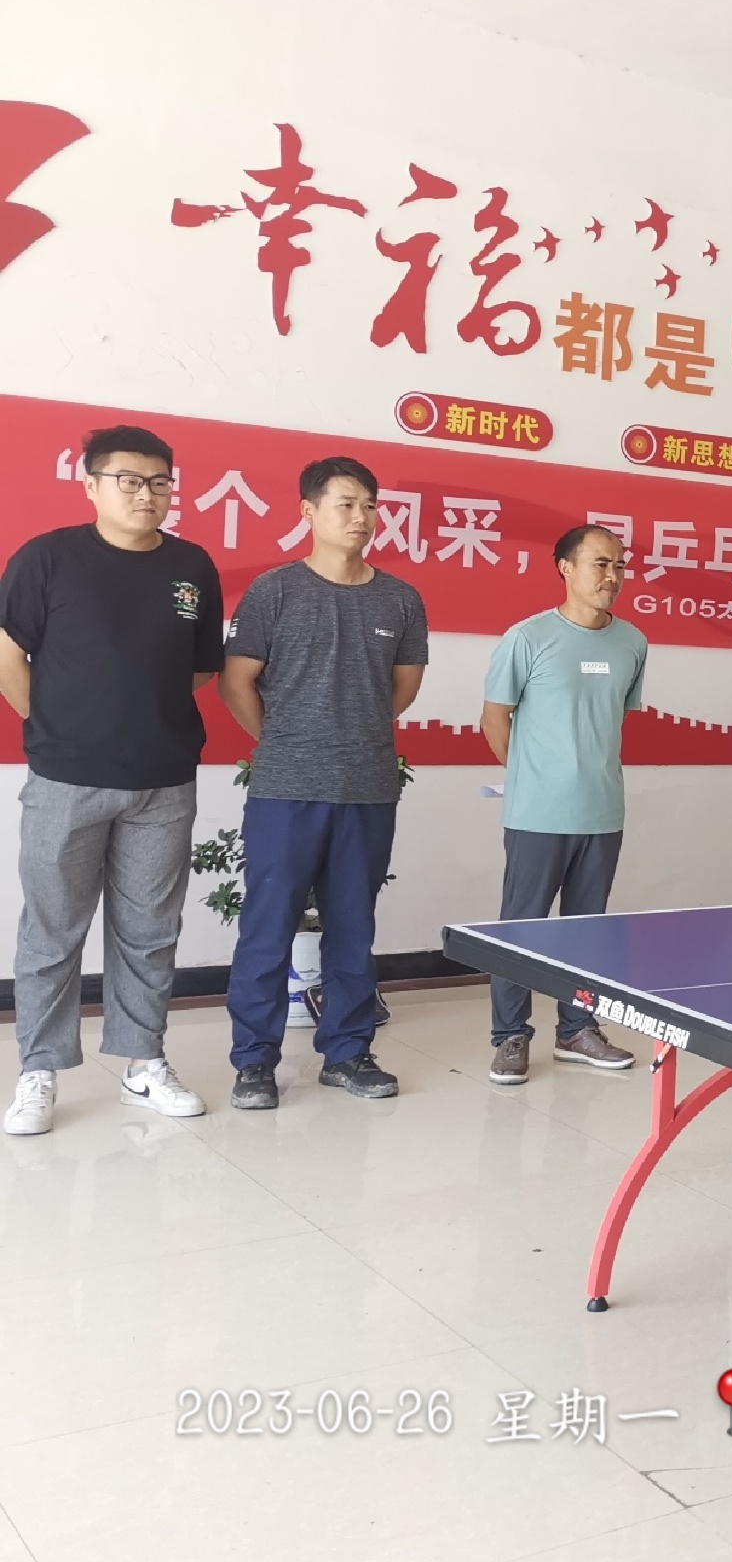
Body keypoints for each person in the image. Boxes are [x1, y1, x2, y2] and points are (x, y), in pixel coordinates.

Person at [1, 425, 222, 1137]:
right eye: (128, 480)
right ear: (91, 484)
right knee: (52, 930)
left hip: (163, 780)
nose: (145, 494)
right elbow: (8, 655)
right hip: (66, 779)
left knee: (150, 931)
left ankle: (143, 1062)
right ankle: (39, 1070)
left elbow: (199, 667)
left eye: (159, 482)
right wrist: (59, 727)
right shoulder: (48, 558)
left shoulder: (191, 566)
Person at [220, 456, 429, 1108]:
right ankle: (254, 1062)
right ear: (309, 511)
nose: (361, 517)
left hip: (367, 788)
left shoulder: (400, 599)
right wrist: (285, 740)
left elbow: (401, 690)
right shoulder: (275, 590)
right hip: (286, 789)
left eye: (369, 505)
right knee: (267, 926)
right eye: (346, 504)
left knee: (352, 928)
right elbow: (236, 681)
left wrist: (352, 730)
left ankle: (348, 1052)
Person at [479, 525, 646, 1085]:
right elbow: (494, 720)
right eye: (600, 563)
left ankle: (577, 1029)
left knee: (586, 932)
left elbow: (611, 718)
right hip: (537, 816)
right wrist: (532, 780)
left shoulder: (632, 643)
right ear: (566, 568)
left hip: (603, 812)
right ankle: (509, 1036)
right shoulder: (527, 638)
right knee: (521, 929)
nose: (612, 576)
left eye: (619, 565)